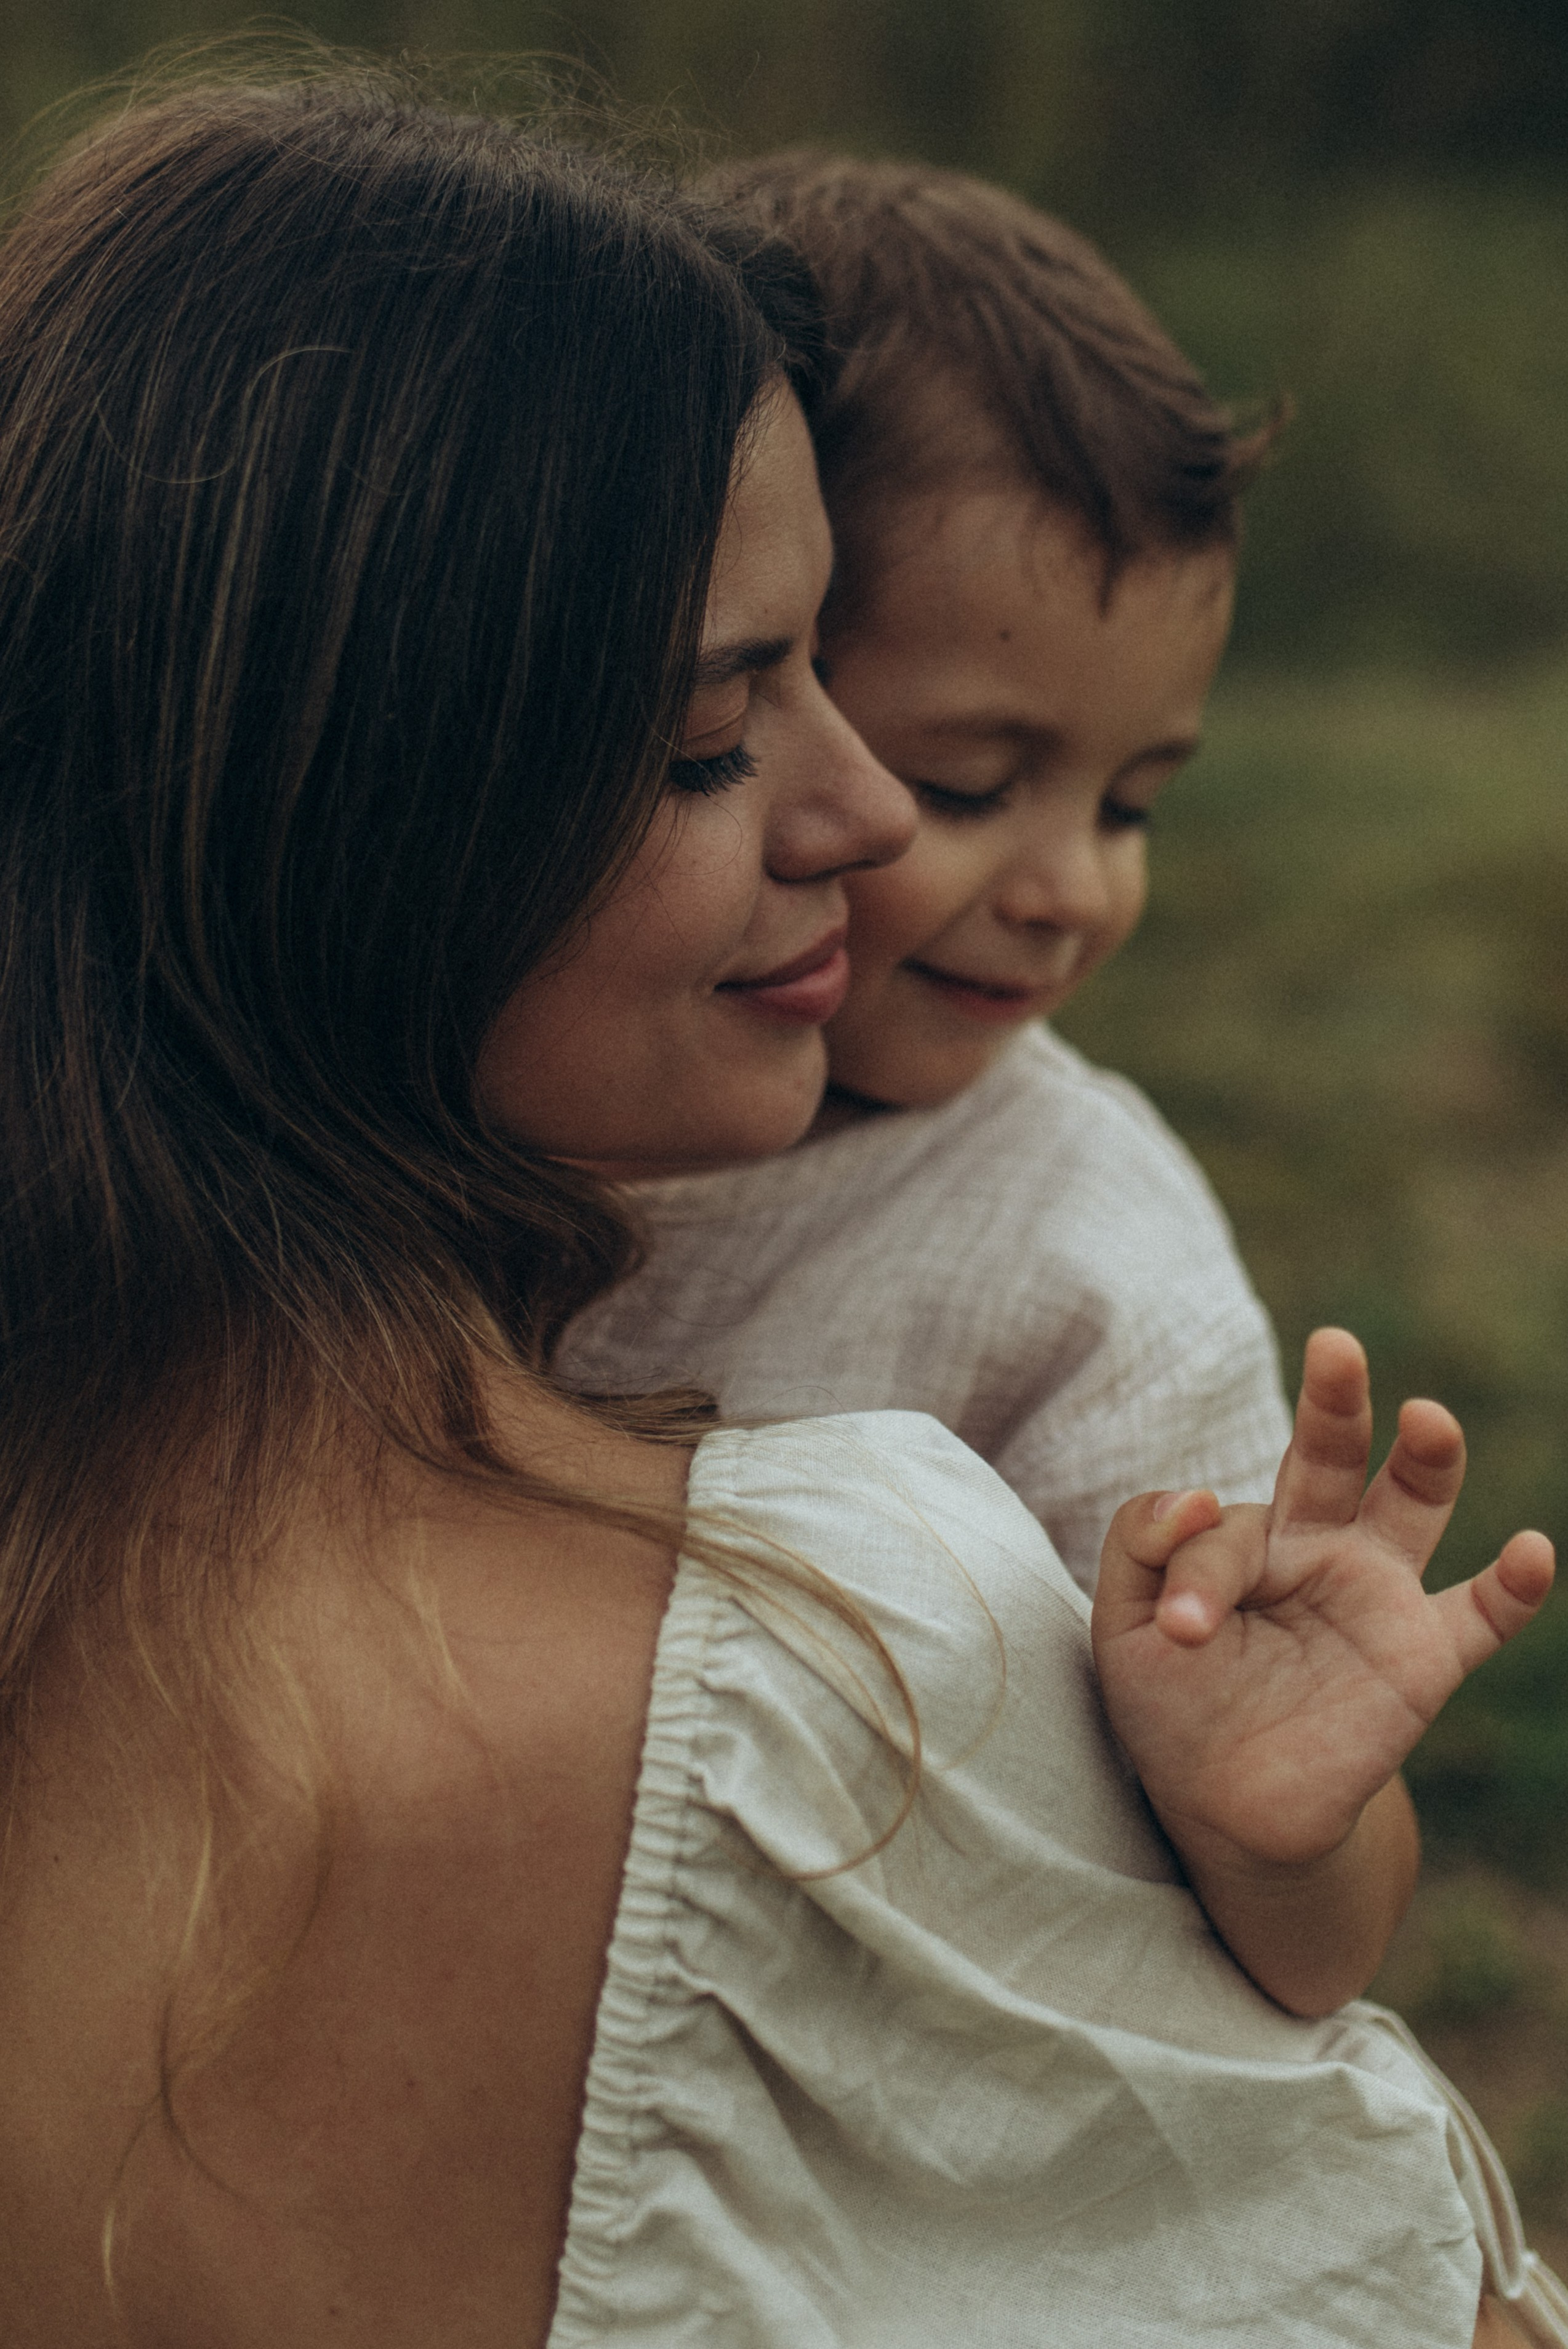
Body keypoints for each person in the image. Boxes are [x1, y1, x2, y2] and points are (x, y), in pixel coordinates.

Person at [0, 73, 1559, 2349]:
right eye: (720, 730)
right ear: (369, 809)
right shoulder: (807, 1656)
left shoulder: (1061, 1251)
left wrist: (1281, 1815)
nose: (859, 815)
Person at [560, 153, 1293, 1595]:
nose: (1071, 891)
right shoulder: (447, 1099)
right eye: (966, 787)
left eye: (1131, 807)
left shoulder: (1087, 1266)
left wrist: (1270, 1792)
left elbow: (1293, 1774)